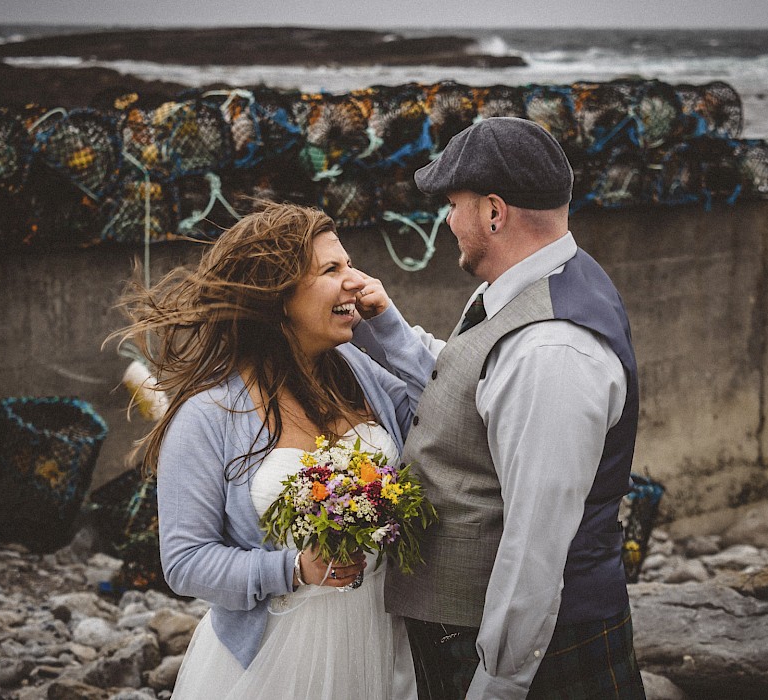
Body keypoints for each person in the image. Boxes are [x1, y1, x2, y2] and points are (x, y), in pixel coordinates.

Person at [351, 117, 647, 699]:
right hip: (478, 632)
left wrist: (500, 682)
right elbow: (467, 383)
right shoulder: (524, 288)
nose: (448, 221)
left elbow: (536, 542)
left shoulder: (551, 349)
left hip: (532, 655)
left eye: (453, 204)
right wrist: (385, 329)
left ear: (493, 212)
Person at [113, 202, 418, 699]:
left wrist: (390, 331)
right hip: (274, 660)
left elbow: (446, 417)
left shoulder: (363, 374)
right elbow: (184, 560)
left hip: (383, 640)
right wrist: (293, 569)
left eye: (349, 265)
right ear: (279, 296)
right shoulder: (208, 414)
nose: (357, 281)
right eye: (331, 270)